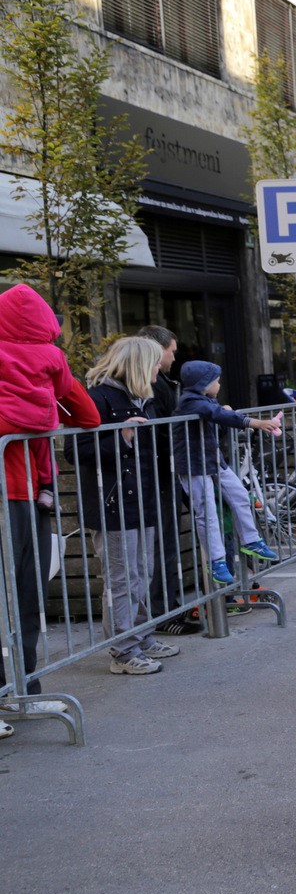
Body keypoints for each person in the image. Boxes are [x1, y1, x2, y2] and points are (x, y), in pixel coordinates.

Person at [0, 285, 100, 723]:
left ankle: (14, 692)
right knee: (27, 596)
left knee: (14, 597)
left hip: (17, 493)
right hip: (27, 495)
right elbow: (89, 416)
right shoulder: (51, 360)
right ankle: (22, 688)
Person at [80, 337, 180, 675]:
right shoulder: (99, 397)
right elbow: (76, 450)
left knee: (141, 573)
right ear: (139, 364)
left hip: (142, 497)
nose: (159, 369)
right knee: (121, 578)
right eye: (154, 363)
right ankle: (122, 651)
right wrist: (120, 438)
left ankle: (141, 636)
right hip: (114, 503)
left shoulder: (142, 398)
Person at [173, 361, 282, 585]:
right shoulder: (191, 402)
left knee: (240, 495)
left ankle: (251, 540)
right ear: (204, 383)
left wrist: (227, 414)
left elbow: (218, 422)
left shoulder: (207, 402)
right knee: (207, 512)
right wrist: (255, 422)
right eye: (216, 381)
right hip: (195, 465)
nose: (219, 384)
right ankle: (217, 561)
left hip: (213, 460)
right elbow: (215, 414)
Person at [136, 325, 200, 637]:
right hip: (159, 474)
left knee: (164, 544)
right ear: (156, 349)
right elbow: (162, 431)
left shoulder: (157, 382)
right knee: (162, 545)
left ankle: (166, 608)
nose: (174, 358)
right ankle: (163, 613)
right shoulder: (151, 384)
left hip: (163, 472)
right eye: (172, 351)